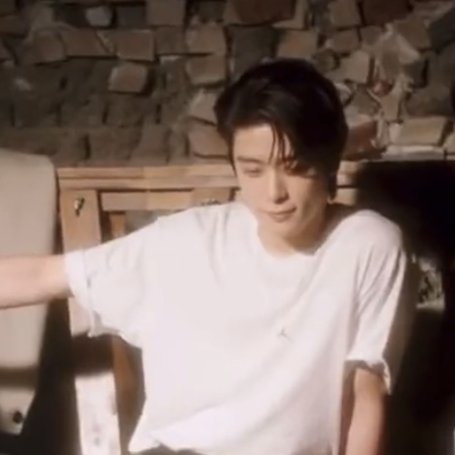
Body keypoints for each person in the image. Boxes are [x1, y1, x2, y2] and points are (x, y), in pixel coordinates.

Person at [0, 58, 416, 455]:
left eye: (294, 167)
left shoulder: (367, 244)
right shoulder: (186, 241)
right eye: (253, 170)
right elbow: (42, 276)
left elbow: (367, 393)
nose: (274, 193)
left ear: (328, 164)